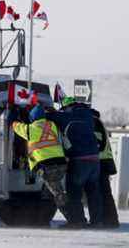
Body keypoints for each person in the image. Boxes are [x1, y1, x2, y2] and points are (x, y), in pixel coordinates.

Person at [47, 96, 102, 228]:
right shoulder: (88, 115)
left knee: (74, 192)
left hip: (79, 159)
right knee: (93, 193)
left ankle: (77, 221)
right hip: (95, 160)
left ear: (67, 107)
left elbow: (48, 116)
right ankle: (97, 222)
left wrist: (48, 111)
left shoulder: (67, 116)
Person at [10, 104, 69, 215]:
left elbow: (15, 125)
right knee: (51, 190)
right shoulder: (52, 125)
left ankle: (73, 219)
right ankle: (43, 214)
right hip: (61, 164)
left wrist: (13, 113)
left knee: (58, 193)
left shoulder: (30, 129)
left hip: (47, 167)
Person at [93, 110, 120, 228]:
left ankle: (109, 220)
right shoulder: (98, 122)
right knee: (105, 193)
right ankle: (110, 220)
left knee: (103, 193)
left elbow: (98, 142)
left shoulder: (95, 123)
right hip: (103, 161)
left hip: (101, 162)